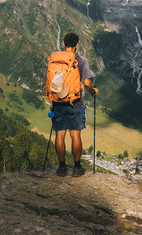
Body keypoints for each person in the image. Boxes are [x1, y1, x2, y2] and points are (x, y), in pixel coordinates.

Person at [52, 33, 98, 177]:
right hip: (76, 102)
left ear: (63, 43)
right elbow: (87, 83)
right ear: (77, 45)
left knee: (59, 133)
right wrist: (93, 91)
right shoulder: (82, 60)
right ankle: (77, 168)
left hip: (58, 101)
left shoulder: (56, 59)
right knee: (75, 134)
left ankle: (61, 167)